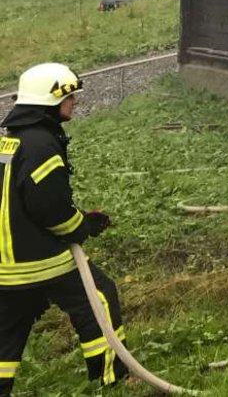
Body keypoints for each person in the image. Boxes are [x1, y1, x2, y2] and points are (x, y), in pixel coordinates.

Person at [0, 63, 126, 395]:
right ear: (50, 100)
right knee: (98, 297)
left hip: (7, 264)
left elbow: (21, 199)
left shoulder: (11, 142)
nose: (75, 103)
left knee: (7, 330)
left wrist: (83, 218)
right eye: (70, 97)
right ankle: (112, 377)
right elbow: (49, 208)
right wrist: (81, 227)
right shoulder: (41, 145)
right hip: (38, 260)